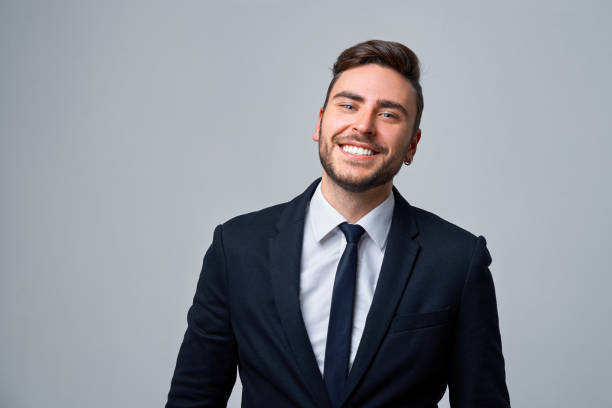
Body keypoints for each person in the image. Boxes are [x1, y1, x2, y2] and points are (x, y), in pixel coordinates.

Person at [166, 40, 510, 408]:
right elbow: (193, 398)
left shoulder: (457, 260)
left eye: (389, 114)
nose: (363, 126)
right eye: (348, 105)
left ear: (412, 145)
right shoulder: (236, 248)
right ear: (319, 123)